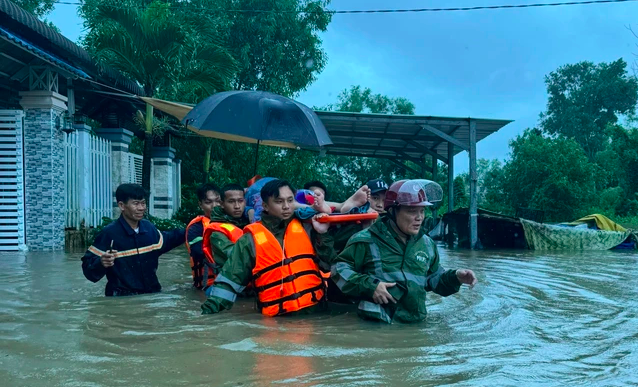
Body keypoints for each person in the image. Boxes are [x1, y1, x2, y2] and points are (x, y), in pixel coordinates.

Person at [331, 179, 477, 323]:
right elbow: (337, 270)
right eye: (412, 211)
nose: (419, 217)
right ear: (393, 211)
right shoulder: (365, 239)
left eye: (422, 210)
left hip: (415, 326)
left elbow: (434, 279)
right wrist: (371, 286)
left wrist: (456, 277)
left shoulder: (427, 244)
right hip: (375, 330)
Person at [201, 179, 334, 316]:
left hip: (316, 313)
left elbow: (328, 265)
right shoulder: (250, 239)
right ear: (265, 206)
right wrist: (205, 316)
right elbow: (230, 279)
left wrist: (323, 234)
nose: (286, 206)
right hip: (277, 320)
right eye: (279, 201)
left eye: (290, 200)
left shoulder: (308, 226)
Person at [81, 184, 185, 296]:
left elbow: (170, 238)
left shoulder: (149, 229)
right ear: (122, 205)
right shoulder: (109, 233)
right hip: (122, 300)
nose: (141, 208)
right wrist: (101, 262)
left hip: (152, 296)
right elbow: (88, 269)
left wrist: (194, 229)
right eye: (136, 203)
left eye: (143, 203)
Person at [199, 183, 250, 296]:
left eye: (240, 201)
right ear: (222, 204)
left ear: (245, 202)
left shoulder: (248, 222)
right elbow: (236, 255)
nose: (237, 206)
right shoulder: (217, 233)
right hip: (231, 288)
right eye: (231, 202)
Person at [185, 183, 221, 289]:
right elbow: (198, 252)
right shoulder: (196, 228)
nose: (214, 206)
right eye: (208, 202)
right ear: (200, 205)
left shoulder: (231, 223)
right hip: (207, 286)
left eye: (218, 201)